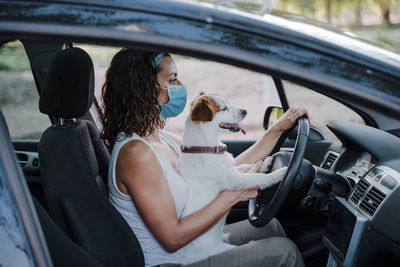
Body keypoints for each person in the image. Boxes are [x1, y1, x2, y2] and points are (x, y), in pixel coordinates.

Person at [100, 49, 309, 267]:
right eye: (172, 80)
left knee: (272, 227)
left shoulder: (164, 138)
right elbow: (172, 239)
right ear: (143, 89)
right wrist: (232, 196)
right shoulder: (136, 154)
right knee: (285, 253)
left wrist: (277, 129)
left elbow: (218, 172)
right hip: (173, 262)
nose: (180, 85)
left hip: (191, 248)